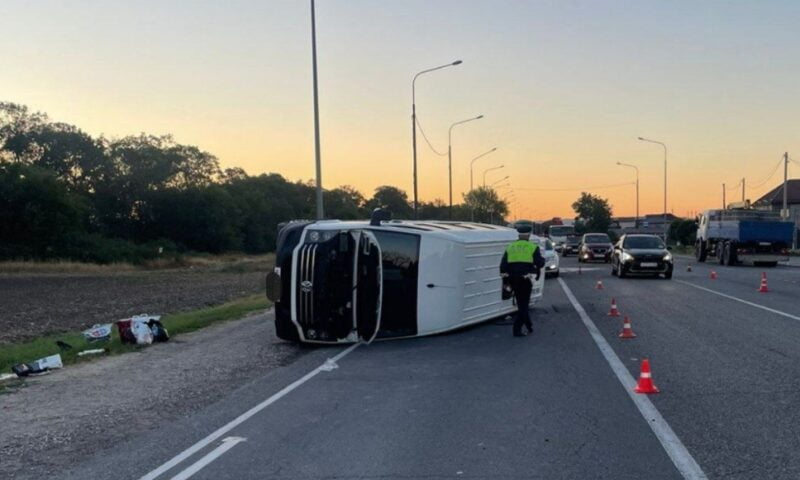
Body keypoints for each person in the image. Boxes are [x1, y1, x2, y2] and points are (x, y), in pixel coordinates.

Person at [500, 225, 545, 337]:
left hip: (512, 279)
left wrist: (506, 280)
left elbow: (503, 266)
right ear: (529, 235)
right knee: (524, 305)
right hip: (525, 279)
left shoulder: (510, 247)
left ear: (518, 235)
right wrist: (541, 260)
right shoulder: (532, 247)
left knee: (521, 304)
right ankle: (517, 329)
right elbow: (540, 263)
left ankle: (529, 325)